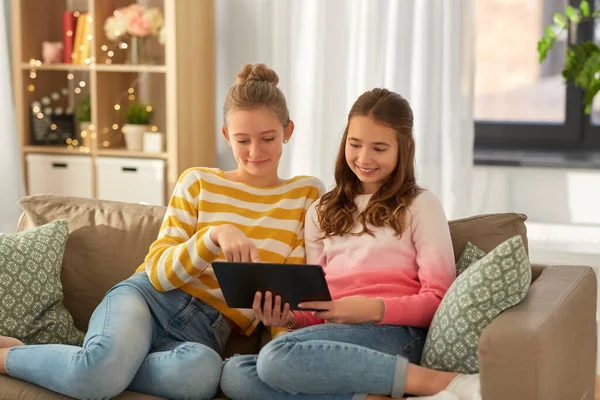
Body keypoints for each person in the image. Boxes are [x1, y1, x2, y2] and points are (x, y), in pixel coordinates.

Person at [0, 63, 325, 400]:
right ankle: (15, 357)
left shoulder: (306, 195)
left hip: (206, 334)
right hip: (148, 299)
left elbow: (294, 286)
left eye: (268, 138)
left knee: (202, 377)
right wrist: (212, 236)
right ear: (227, 135)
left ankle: (96, 360)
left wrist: (283, 322)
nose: (255, 152)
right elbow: (157, 273)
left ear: (288, 130)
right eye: (243, 140)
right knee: (98, 377)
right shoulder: (198, 181)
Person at [220, 88, 481, 400]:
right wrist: (290, 317)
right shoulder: (321, 211)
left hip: (397, 334)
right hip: (334, 334)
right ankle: (368, 397)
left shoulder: (420, 205)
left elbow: (438, 299)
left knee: (276, 356)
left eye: (379, 148)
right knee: (235, 374)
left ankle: (440, 383)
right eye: (354, 144)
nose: (364, 158)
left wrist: (370, 308)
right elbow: (317, 304)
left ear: (405, 147)